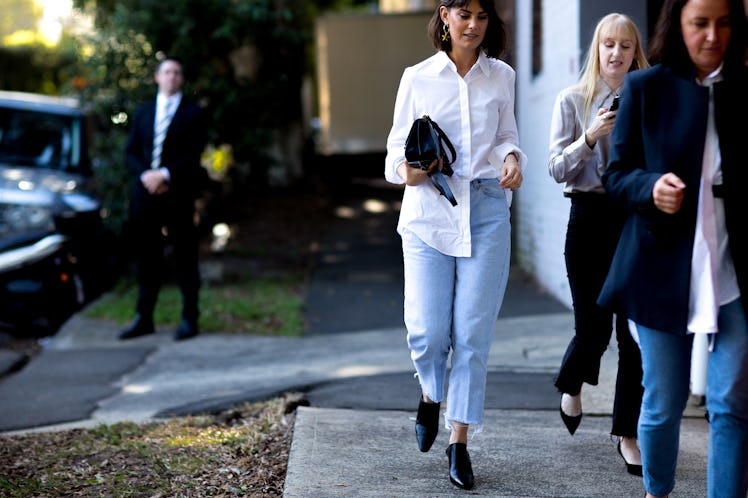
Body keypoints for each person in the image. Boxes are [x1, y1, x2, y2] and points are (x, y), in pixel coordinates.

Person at [597, 0, 748, 496]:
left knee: (730, 402)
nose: (712, 36)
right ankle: (657, 491)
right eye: (700, 23)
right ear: (677, 25)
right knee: (664, 401)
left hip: (732, 267)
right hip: (662, 263)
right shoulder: (646, 87)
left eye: (723, 23)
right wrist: (650, 188)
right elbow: (616, 176)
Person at [384, 0, 525, 490]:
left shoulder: (501, 76)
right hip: (428, 214)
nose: (473, 25)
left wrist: (511, 158)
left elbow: (508, 134)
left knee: (471, 336)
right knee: (426, 332)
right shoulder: (417, 77)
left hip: (487, 211)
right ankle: (429, 392)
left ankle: (459, 441)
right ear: (444, 16)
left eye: (482, 17)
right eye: (464, 14)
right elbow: (393, 154)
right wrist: (410, 171)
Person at [548, 13, 649, 476]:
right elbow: (555, 169)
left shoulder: (647, 99)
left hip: (631, 219)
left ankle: (627, 433)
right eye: (608, 44)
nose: (616, 53)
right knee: (593, 330)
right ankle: (571, 384)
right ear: (597, 49)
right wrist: (589, 137)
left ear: (634, 52)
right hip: (587, 218)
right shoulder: (572, 100)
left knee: (633, 338)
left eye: (625, 46)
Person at [119, 57, 208, 341]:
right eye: (167, 72)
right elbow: (131, 151)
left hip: (177, 194)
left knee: (185, 257)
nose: (171, 76)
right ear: (157, 77)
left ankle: (189, 319)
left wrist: (165, 175)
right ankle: (144, 318)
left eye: (177, 72)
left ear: (181, 79)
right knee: (147, 257)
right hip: (145, 195)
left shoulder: (193, 113)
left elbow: (194, 154)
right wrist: (147, 175)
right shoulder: (144, 111)